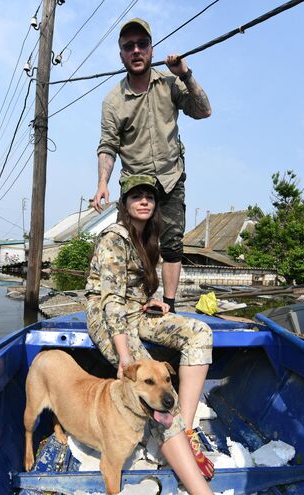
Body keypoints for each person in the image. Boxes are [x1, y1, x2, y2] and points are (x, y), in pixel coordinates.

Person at [85, 174, 236, 495]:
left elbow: (137, 288)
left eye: (149, 198)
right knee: (148, 373)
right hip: (108, 317)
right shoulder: (113, 238)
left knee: (200, 332)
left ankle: (182, 429)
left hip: (136, 310)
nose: (144, 202)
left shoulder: (147, 237)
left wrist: (156, 301)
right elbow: (110, 303)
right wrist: (126, 358)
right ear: (124, 204)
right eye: (136, 196)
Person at [93, 17, 212, 314]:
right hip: (136, 183)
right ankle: (132, 303)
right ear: (121, 55)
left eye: (141, 44)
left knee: (172, 245)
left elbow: (204, 111)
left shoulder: (170, 84)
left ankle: (168, 305)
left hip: (171, 177)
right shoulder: (112, 100)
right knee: (134, 246)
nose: (136, 50)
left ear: (151, 49)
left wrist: (185, 73)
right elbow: (108, 145)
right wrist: (102, 184)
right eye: (128, 46)